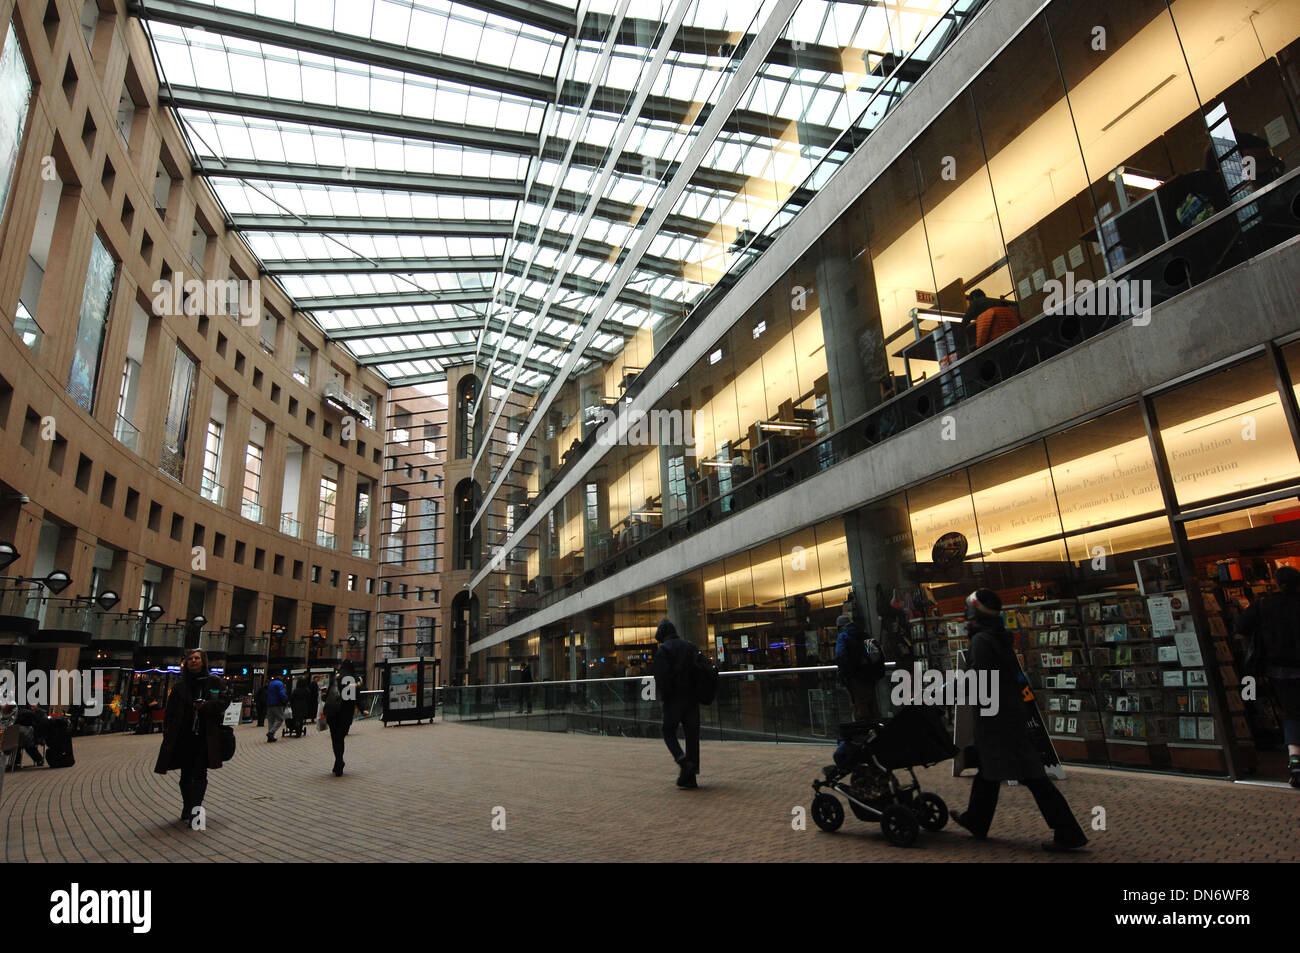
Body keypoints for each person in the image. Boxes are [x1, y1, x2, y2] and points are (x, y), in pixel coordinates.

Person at [951, 589, 1088, 852]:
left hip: (996, 720)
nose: (966, 621)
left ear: (974, 615)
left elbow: (977, 680)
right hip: (1009, 715)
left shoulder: (981, 642)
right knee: (989, 769)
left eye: (968, 616)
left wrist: (947, 691)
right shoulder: (999, 639)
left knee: (1031, 776)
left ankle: (1068, 832)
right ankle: (976, 821)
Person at [1236, 565, 1300, 786]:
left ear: (1275, 583)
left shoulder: (1264, 605)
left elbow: (1241, 626)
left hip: (1279, 671)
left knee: (1292, 713)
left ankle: (1295, 761)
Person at [154, 649, 230, 825]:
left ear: (203, 661)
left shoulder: (214, 681)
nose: (193, 661)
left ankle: (196, 810)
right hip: (183, 736)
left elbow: (223, 703)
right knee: (186, 774)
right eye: (190, 659)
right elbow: (170, 713)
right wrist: (168, 733)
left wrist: (206, 707)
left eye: (197, 658)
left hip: (204, 736)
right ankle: (187, 806)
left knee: (200, 773)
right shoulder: (180, 686)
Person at [651, 618, 700, 789]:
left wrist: (665, 697)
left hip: (674, 699)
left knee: (668, 731)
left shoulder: (664, 650)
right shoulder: (690, 646)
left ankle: (683, 761)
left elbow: (662, 678)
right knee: (692, 736)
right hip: (692, 698)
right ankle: (691, 777)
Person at [835, 614, 881, 721]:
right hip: (870, 677)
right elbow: (875, 653)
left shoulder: (843, 636)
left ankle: (865, 733)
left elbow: (840, 656)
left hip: (855, 679)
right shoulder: (864, 633)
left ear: (840, 627)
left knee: (860, 708)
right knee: (873, 706)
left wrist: (846, 674)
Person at [323, 663, 360, 777]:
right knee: (341, 738)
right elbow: (355, 697)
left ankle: (339, 761)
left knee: (335, 739)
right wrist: (363, 708)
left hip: (334, 713)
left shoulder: (336, 678)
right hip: (346, 714)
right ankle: (339, 762)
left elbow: (327, 695)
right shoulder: (352, 679)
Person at [14, 702, 47, 768]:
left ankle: (38, 759)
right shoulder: (23, 712)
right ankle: (16, 763)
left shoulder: (41, 713)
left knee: (26, 743)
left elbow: (40, 727)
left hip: (35, 736)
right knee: (18, 742)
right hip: (24, 736)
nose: (32, 704)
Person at [265, 675, 288, 741]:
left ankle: (270, 738)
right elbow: (282, 693)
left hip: (269, 704)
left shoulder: (271, 683)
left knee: (271, 720)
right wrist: (285, 699)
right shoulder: (280, 683)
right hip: (277, 704)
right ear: (280, 677)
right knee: (280, 719)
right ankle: (271, 733)